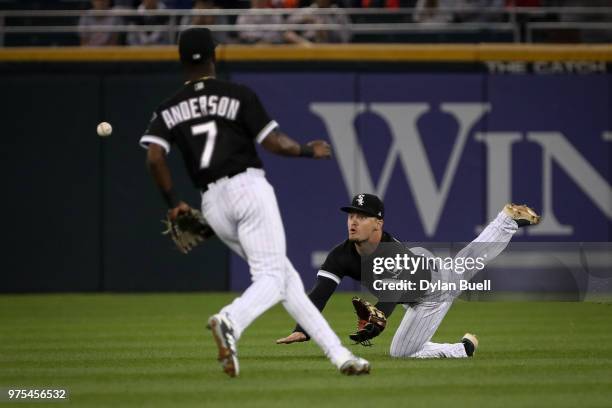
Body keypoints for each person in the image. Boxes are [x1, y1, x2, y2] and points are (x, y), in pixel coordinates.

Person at [139, 28, 369, 377]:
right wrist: (309, 150)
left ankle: (341, 356)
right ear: (215, 53)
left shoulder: (169, 107)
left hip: (212, 203)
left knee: (286, 279)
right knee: (273, 276)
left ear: (181, 59)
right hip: (248, 188)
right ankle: (231, 319)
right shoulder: (237, 94)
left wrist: (173, 202)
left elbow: (155, 158)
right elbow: (275, 143)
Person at [276, 193, 541, 359]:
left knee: (401, 352)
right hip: (417, 274)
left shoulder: (391, 252)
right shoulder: (341, 255)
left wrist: (379, 317)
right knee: (468, 260)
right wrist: (302, 328)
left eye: (362, 217)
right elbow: (320, 292)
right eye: (351, 216)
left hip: (433, 291)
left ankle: (460, 350)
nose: (353, 221)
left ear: (378, 224)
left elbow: (395, 292)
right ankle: (506, 220)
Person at [283, 0, 351, 45]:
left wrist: (324, 27)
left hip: (331, 47)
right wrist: (307, 45)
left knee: (320, 27)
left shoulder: (339, 13)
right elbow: (286, 31)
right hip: (306, 46)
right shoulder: (305, 11)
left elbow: (345, 38)